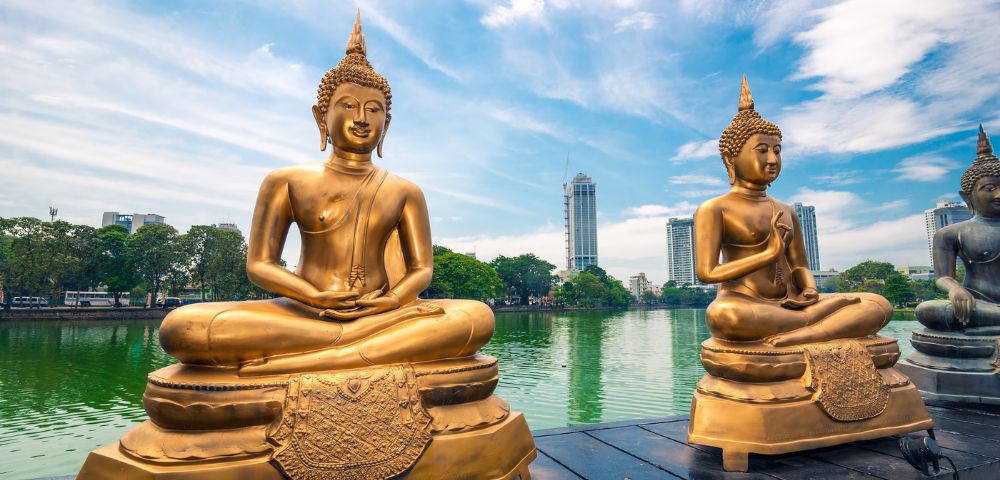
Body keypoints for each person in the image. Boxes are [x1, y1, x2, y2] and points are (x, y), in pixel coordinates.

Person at [158, 13, 493, 376]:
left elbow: (421, 269)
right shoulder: (285, 181)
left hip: (383, 312)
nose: (362, 118)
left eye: (374, 110)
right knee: (183, 327)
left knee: (476, 317)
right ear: (321, 117)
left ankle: (322, 356)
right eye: (348, 105)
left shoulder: (405, 191)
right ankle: (365, 349)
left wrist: (392, 300)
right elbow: (259, 265)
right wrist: (314, 296)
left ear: (386, 125)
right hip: (305, 313)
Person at [694, 77, 891, 347]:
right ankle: (822, 323)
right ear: (731, 159)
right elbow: (707, 272)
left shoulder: (786, 210)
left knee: (877, 304)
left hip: (791, 303)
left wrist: (809, 289)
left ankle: (809, 332)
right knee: (724, 317)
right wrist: (769, 254)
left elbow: (799, 265)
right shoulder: (715, 208)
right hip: (744, 302)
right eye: (762, 151)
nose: (772, 159)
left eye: (777, 150)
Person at [915, 126, 1000, 331]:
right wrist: (954, 288)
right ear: (967, 197)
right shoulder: (951, 234)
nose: (998, 195)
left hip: (985, 314)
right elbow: (943, 277)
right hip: (976, 303)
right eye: (989, 189)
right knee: (926, 310)